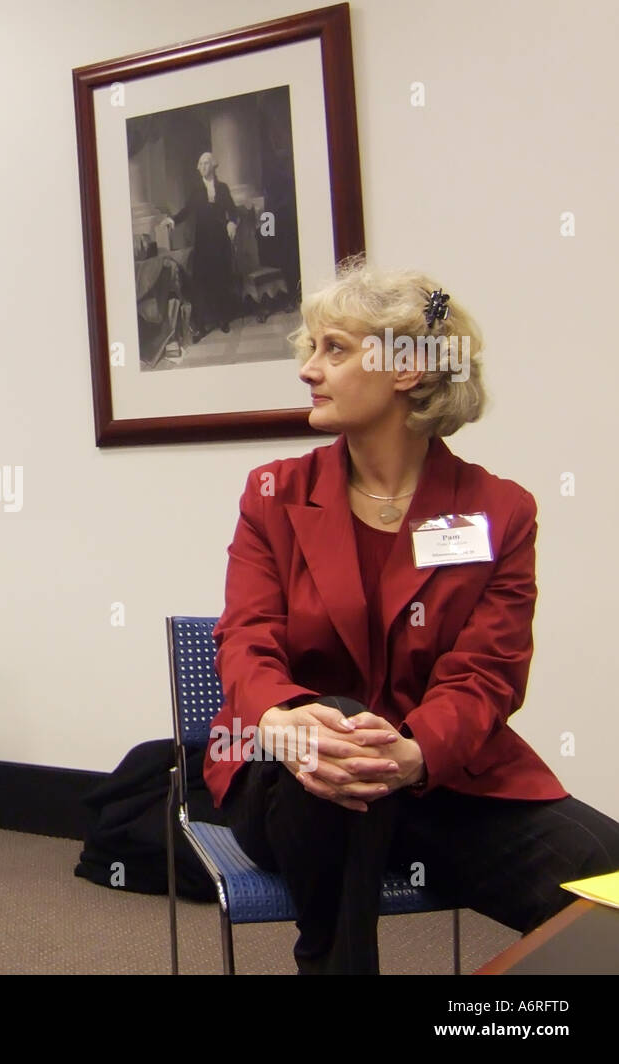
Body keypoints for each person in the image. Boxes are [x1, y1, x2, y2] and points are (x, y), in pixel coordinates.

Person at [203, 259, 619, 974]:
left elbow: (487, 674)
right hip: (289, 779)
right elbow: (247, 638)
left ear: (409, 368)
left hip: (437, 779)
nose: (309, 369)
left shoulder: (500, 510)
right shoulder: (273, 493)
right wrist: (278, 719)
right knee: (333, 734)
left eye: (333, 349)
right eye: (311, 349)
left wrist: (416, 751)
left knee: (607, 882)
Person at [167, 151, 240, 340]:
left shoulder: (222, 188)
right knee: (201, 281)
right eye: (200, 164)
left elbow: (232, 210)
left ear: (213, 166)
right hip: (203, 241)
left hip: (220, 240)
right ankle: (201, 325)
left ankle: (222, 319)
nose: (202, 166)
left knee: (221, 279)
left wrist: (232, 222)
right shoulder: (196, 190)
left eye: (206, 163)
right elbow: (186, 210)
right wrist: (172, 220)